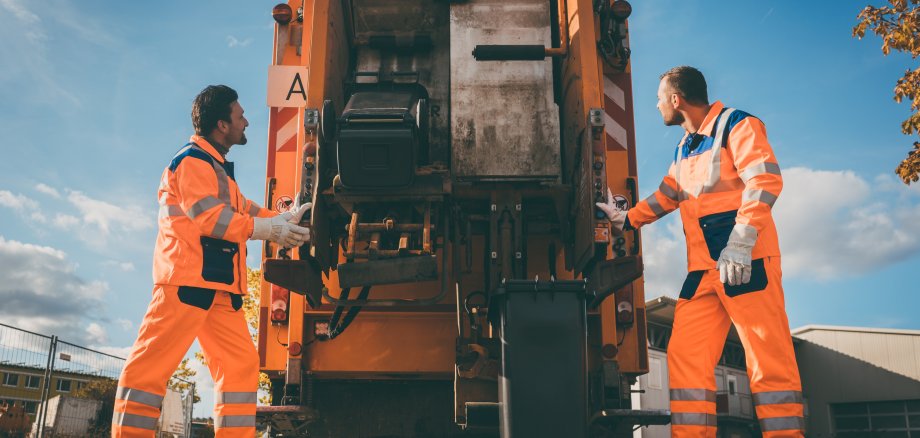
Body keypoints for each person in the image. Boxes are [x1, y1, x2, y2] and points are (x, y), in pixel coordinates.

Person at [597, 66, 804, 437]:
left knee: (766, 359)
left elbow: (764, 178)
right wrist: (626, 219)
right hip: (705, 272)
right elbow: (667, 196)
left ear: (676, 100)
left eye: (659, 98)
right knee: (685, 355)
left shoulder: (736, 125)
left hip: (746, 263)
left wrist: (740, 242)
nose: (656, 104)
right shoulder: (685, 147)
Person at [112, 85, 310, 437]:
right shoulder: (191, 162)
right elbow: (211, 219)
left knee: (240, 366)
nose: (246, 122)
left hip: (215, 289)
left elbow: (248, 211)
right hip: (184, 284)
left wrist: (289, 218)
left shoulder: (217, 171)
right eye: (240, 116)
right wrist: (269, 230)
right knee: (148, 371)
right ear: (222, 124)